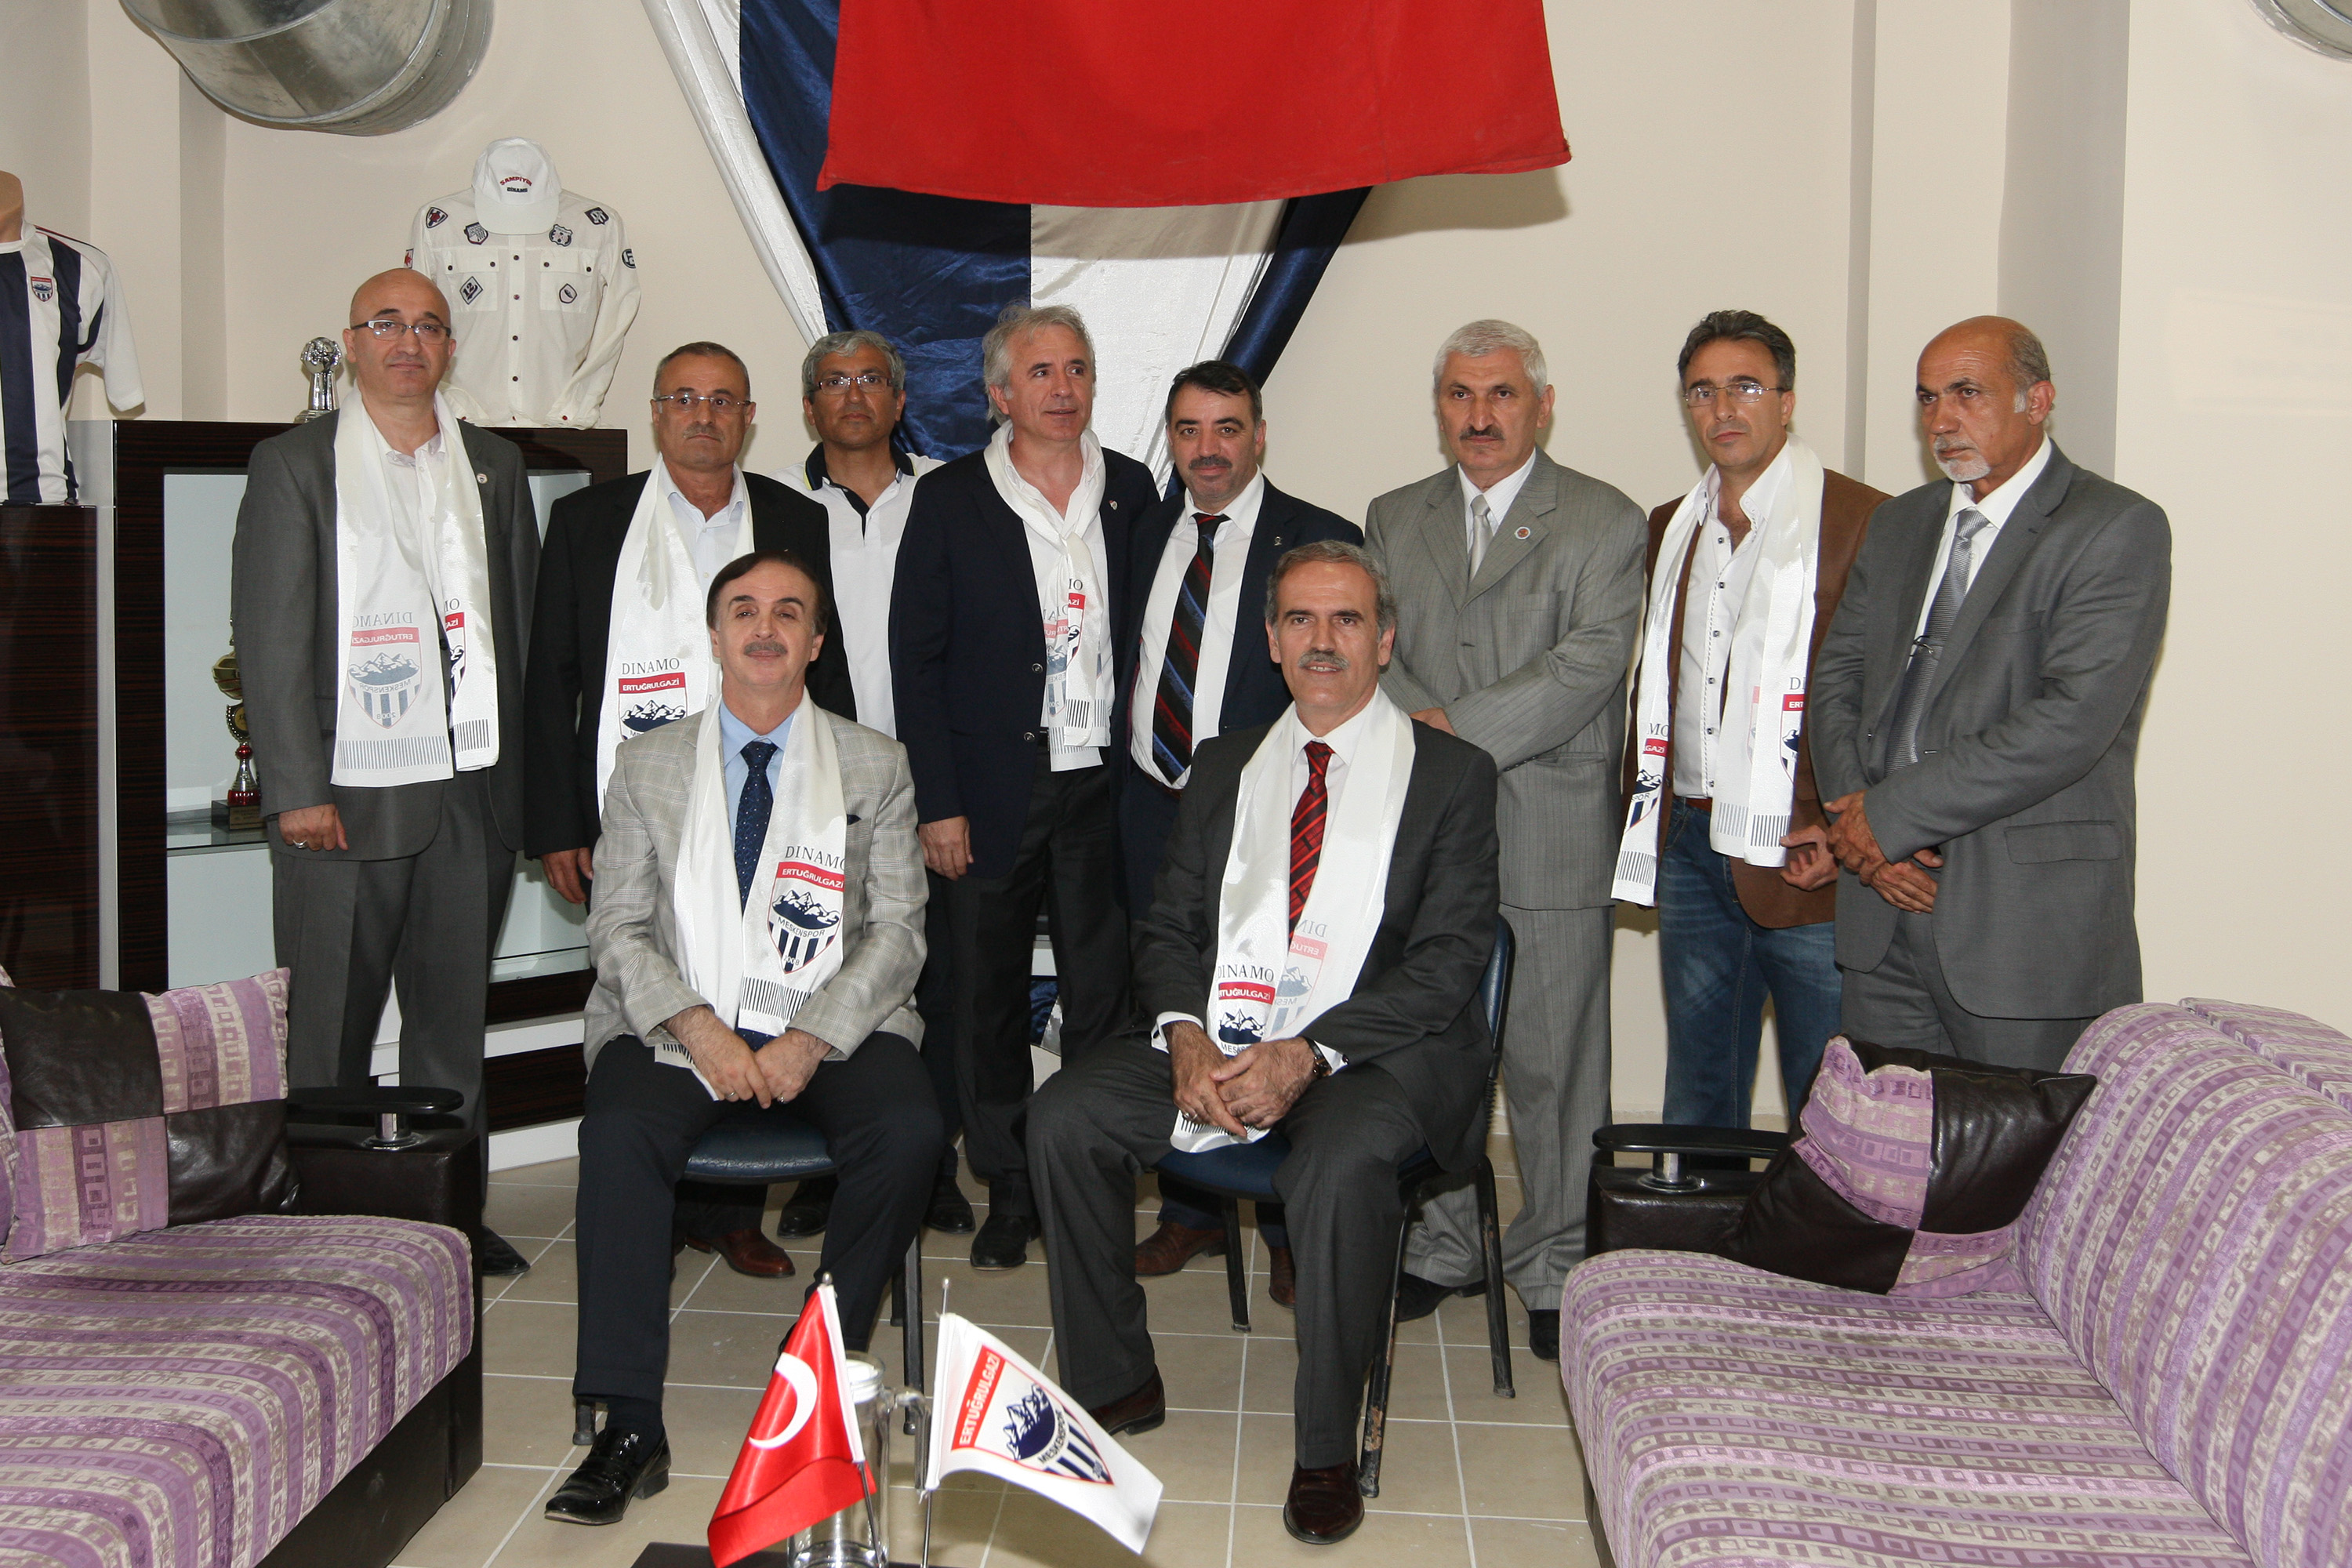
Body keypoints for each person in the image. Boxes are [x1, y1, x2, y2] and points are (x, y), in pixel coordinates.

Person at [1029, 541, 1499, 1545]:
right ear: (1273, 641)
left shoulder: (1453, 774)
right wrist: (1185, 1034)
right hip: (1223, 1031)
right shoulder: (1225, 764)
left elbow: (1449, 962)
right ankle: (1116, 1381)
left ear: (1385, 639)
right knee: (1066, 1114)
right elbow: (1169, 926)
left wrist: (1308, 1052)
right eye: (1300, 620)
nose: (1322, 640)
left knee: (1337, 1163)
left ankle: (1326, 1447)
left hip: (1379, 1051)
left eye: (1346, 620)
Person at [548, 550, 939, 1526]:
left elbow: (898, 932)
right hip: (682, 1017)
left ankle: (816, 1356)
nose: (766, 628)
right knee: (619, 1131)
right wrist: (697, 1027)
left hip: (830, 1019)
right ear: (716, 636)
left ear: (817, 641)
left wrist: (809, 1037)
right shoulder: (647, 763)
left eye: (788, 612)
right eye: (745, 610)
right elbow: (616, 928)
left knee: (909, 1129)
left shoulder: (876, 763)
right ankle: (628, 1423)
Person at [230, 268, 537, 1275]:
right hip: (344, 796)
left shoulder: (494, 465)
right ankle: (321, 1218)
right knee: (329, 1030)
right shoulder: (294, 463)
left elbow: (521, 632)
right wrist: (295, 789)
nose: (410, 341)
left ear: (450, 347)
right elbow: (270, 635)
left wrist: (527, 786)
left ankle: (449, 1215)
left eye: (429, 326)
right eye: (387, 323)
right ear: (354, 342)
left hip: (472, 789)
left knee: (452, 1027)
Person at [522, 342, 848, 1280]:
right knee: (654, 989)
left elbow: (823, 662)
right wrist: (557, 823)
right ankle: (651, 1202)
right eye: (684, 398)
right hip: (635, 816)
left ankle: (729, 1212)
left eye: (723, 400)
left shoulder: (794, 518)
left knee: (754, 985)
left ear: (749, 418)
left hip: (770, 808)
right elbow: (551, 676)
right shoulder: (589, 519)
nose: (704, 415)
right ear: (658, 412)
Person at [1363, 319, 1645, 1363]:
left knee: (1553, 1062)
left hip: (1549, 827)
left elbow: (1587, 667)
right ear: (1438, 406)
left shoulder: (1606, 519)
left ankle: (1559, 1260)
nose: (1479, 416)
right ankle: (1445, 1245)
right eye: (1460, 395)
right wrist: (1421, 733)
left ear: (1543, 404)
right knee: (1433, 1045)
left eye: (1502, 394)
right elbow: (1372, 647)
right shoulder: (1395, 515)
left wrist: (1447, 734)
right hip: (1424, 837)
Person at [1802, 317, 2169, 1069]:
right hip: (1881, 914)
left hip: (2021, 929)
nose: (1941, 420)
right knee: (1883, 1136)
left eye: (1967, 393)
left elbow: (2070, 721)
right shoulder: (1899, 523)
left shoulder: (2113, 527)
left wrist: (1890, 818)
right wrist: (1865, 836)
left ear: (2039, 400)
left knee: (2025, 1145)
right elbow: (1837, 679)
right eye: (1928, 398)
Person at [891, 303, 1155, 1270]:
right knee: (985, 992)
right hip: (992, 785)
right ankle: (1007, 1180)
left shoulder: (1131, 489)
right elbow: (916, 661)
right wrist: (938, 801)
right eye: (1040, 372)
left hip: (1106, 784)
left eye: (1076, 368)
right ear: (1001, 393)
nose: (1062, 387)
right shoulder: (951, 498)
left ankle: (1087, 1169)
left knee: (1104, 988)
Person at [1120, 360, 1359, 1304]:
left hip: (1273, 811)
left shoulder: (1319, 537)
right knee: (1181, 1000)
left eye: (1227, 428)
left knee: (1278, 1002)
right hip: (1150, 805)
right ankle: (1192, 1207)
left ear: (1260, 435)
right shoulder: (1140, 530)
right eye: (1189, 430)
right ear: (1171, 441)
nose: (1208, 449)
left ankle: (1290, 1219)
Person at [1613, 311, 1886, 1130]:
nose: (1723, 408)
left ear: (1787, 401)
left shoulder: (1863, 519)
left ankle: (1815, 1221)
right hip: (1690, 843)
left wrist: (1844, 826)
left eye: (1746, 387)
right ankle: (1701, 1214)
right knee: (1700, 1088)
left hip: (1805, 853)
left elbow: (1887, 699)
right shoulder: (1670, 525)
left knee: (1827, 1096)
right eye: (1703, 391)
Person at [773, 328, 969, 1241]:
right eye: (833, 382)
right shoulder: (776, 506)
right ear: (808, 404)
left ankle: (931, 1164)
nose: (852, 396)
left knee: (945, 976)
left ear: (899, 399)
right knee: (820, 968)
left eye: (870, 380)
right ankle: (828, 1164)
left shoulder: (953, 498)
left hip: (936, 782)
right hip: (815, 784)